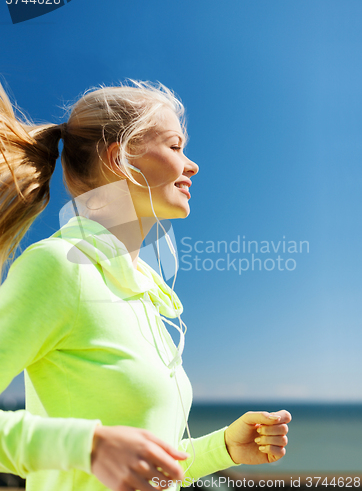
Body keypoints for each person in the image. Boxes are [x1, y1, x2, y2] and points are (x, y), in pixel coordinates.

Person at [0, 79, 291, 491]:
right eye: (174, 147)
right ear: (120, 160)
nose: (192, 165)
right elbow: (103, 453)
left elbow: (145, 466)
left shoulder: (141, 288)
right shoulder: (60, 268)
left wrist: (224, 448)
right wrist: (87, 447)